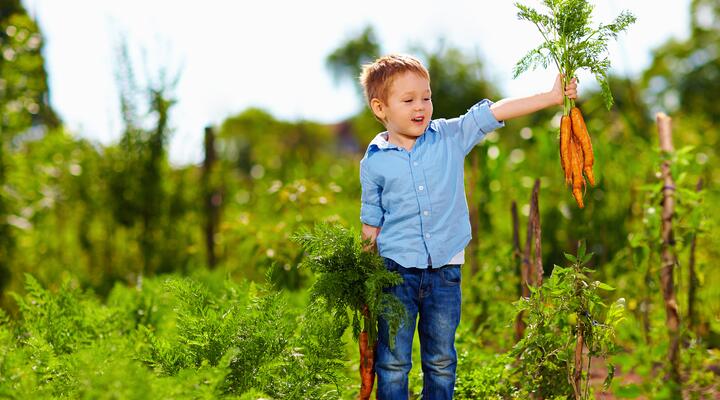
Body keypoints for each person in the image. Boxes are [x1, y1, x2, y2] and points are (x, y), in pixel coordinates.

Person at [358, 54, 577, 399]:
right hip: (395, 272)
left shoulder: (449, 136)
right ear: (380, 108)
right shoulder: (373, 162)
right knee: (393, 363)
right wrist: (364, 274)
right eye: (409, 100)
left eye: (426, 97)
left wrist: (550, 97)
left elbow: (494, 112)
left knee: (442, 360)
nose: (421, 107)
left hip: (445, 271)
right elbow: (372, 221)